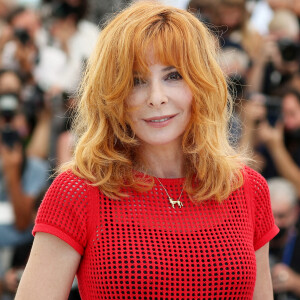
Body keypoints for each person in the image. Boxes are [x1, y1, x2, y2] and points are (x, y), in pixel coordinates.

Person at [15, 1, 279, 299]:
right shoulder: (78, 190)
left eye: (173, 76)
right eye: (137, 80)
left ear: (202, 84)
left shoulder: (247, 189)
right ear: (112, 93)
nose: (156, 97)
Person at [268, 177, 300, 299]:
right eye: (270, 215)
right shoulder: (248, 241)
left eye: (281, 216)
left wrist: (294, 283)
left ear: (295, 213)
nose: (275, 223)